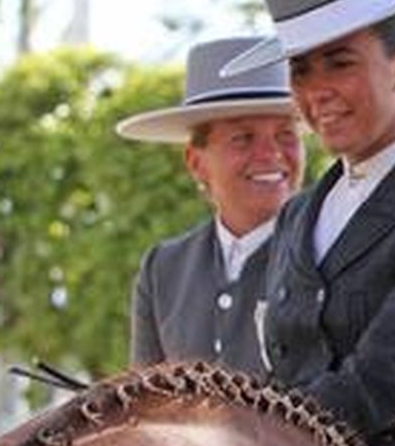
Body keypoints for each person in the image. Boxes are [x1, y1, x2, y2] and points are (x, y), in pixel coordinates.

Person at [221, 0, 395, 446]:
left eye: (340, 63)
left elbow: (387, 371)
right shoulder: (298, 214)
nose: (316, 92)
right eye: (300, 71)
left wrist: (261, 443)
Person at [118, 36, 304, 374]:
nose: (271, 154)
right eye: (243, 138)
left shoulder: (328, 253)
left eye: (286, 135)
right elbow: (144, 409)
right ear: (196, 162)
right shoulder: (164, 269)